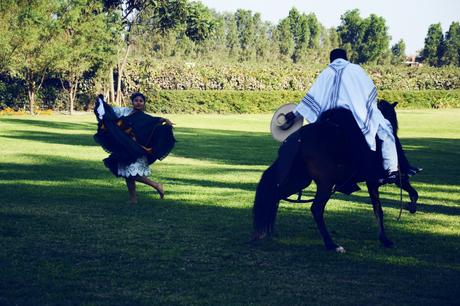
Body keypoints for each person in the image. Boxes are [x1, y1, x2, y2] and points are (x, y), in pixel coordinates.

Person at [285, 48, 401, 184]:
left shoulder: (325, 72)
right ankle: (392, 169)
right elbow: (371, 91)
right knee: (385, 128)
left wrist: (294, 114)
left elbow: (310, 98)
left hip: (328, 116)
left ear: (331, 60)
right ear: (346, 58)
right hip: (354, 116)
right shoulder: (356, 69)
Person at [94, 92, 175, 204]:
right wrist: (101, 103)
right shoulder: (124, 111)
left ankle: (156, 185)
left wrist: (167, 121)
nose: (138, 103)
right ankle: (133, 199)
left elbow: (157, 120)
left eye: (141, 101)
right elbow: (110, 112)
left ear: (144, 103)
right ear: (132, 102)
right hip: (124, 147)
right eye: (136, 100)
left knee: (133, 174)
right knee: (127, 174)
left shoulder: (145, 118)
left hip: (136, 150)